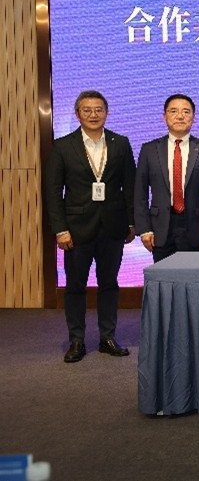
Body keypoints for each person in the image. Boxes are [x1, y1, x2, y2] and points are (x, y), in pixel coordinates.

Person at [43, 90, 136, 363]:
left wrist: (132, 222)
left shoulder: (121, 143)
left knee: (109, 284)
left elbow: (130, 186)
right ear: (77, 114)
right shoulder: (63, 146)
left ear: (106, 112)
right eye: (87, 110)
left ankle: (108, 337)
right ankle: (77, 340)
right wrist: (60, 229)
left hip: (113, 227)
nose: (93, 114)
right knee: (75, 286)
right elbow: (53, 191)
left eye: (98, 109)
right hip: (76, 230)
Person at [134, 94, 199, 262]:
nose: (180, 116)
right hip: (160, 229)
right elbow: (140, 193)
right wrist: (144, 229)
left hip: (196, 228)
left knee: (195, 276)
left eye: (186, 112)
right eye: (173, 111)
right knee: (163, 276)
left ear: (193, 117)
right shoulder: (149, 150)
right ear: (164, 116)